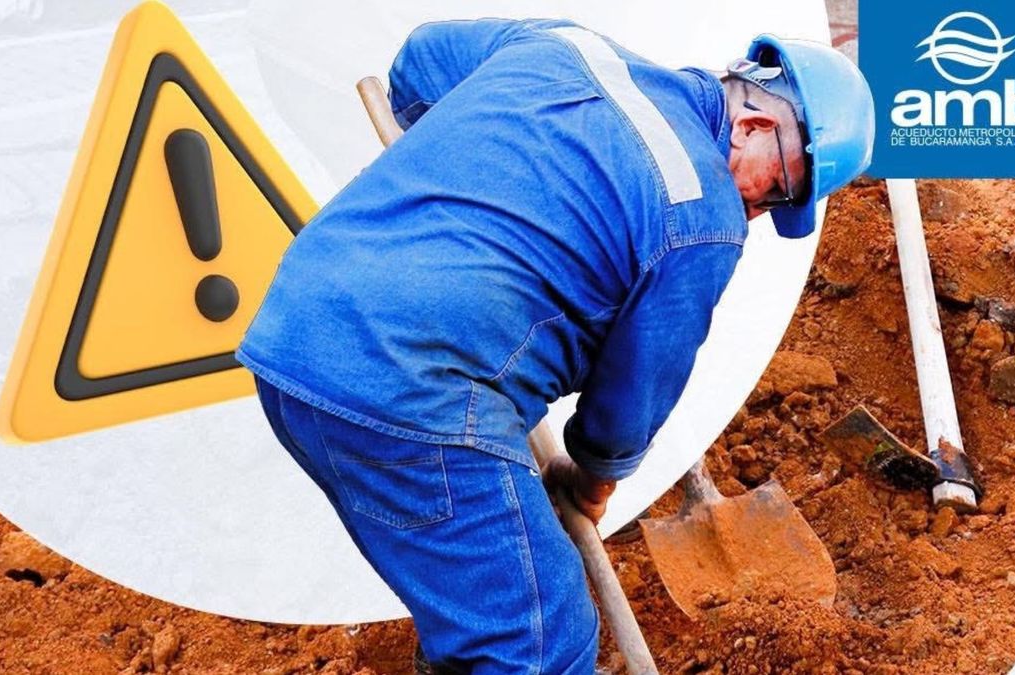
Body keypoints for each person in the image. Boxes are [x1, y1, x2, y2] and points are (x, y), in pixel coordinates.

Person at [236, 17, 873, 674]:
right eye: (781, 191)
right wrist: (593, 478)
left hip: (296, 335)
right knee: (538, 642)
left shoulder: (566, 47)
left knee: (483, 606)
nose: (761, 214)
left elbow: (420, 63)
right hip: (409, 389)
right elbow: (635, 391)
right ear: (753, 128)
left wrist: (476, 168)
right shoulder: (700, 212)